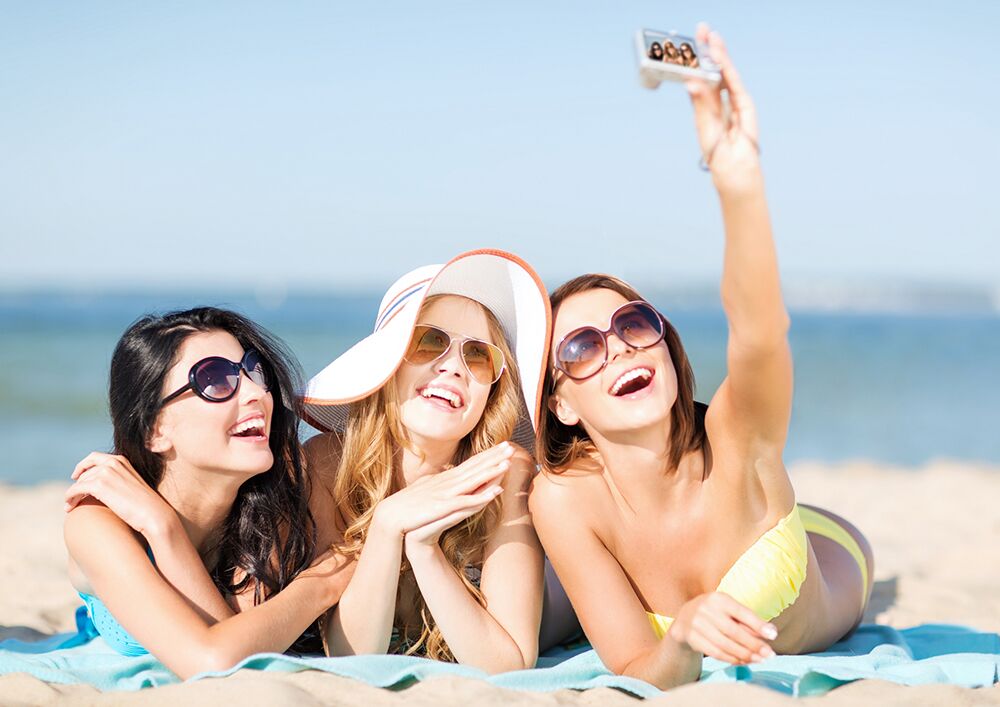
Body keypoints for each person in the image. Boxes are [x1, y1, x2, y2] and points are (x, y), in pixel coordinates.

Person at [529, 26, 874, 690]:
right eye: (581, 346)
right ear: (561, 401)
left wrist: (737, 183)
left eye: (634, 322)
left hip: (833, 553)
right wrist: (683, 630)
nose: (621, 345)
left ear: (663, 338)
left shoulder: (737, 437)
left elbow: (760, 332)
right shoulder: (565, 498)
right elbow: (637, 666)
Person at [302, 249, 576, 672]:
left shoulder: (505, 473)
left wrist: (424, 548)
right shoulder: (326, 464)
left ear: (491, 393)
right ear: (387, 365)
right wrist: (389, 524)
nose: (452, 367)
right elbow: (350, 654)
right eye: (428, 341)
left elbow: (511, 664)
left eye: (478, 356)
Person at [63, 307, 352, 679]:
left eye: (253, 370)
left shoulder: (272, 496)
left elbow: (235, 637)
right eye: (214, 380)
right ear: (154, 430)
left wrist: (166, 535)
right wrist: (325, 583)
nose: (256, 392)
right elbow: (212, 662)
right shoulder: (97, 519)